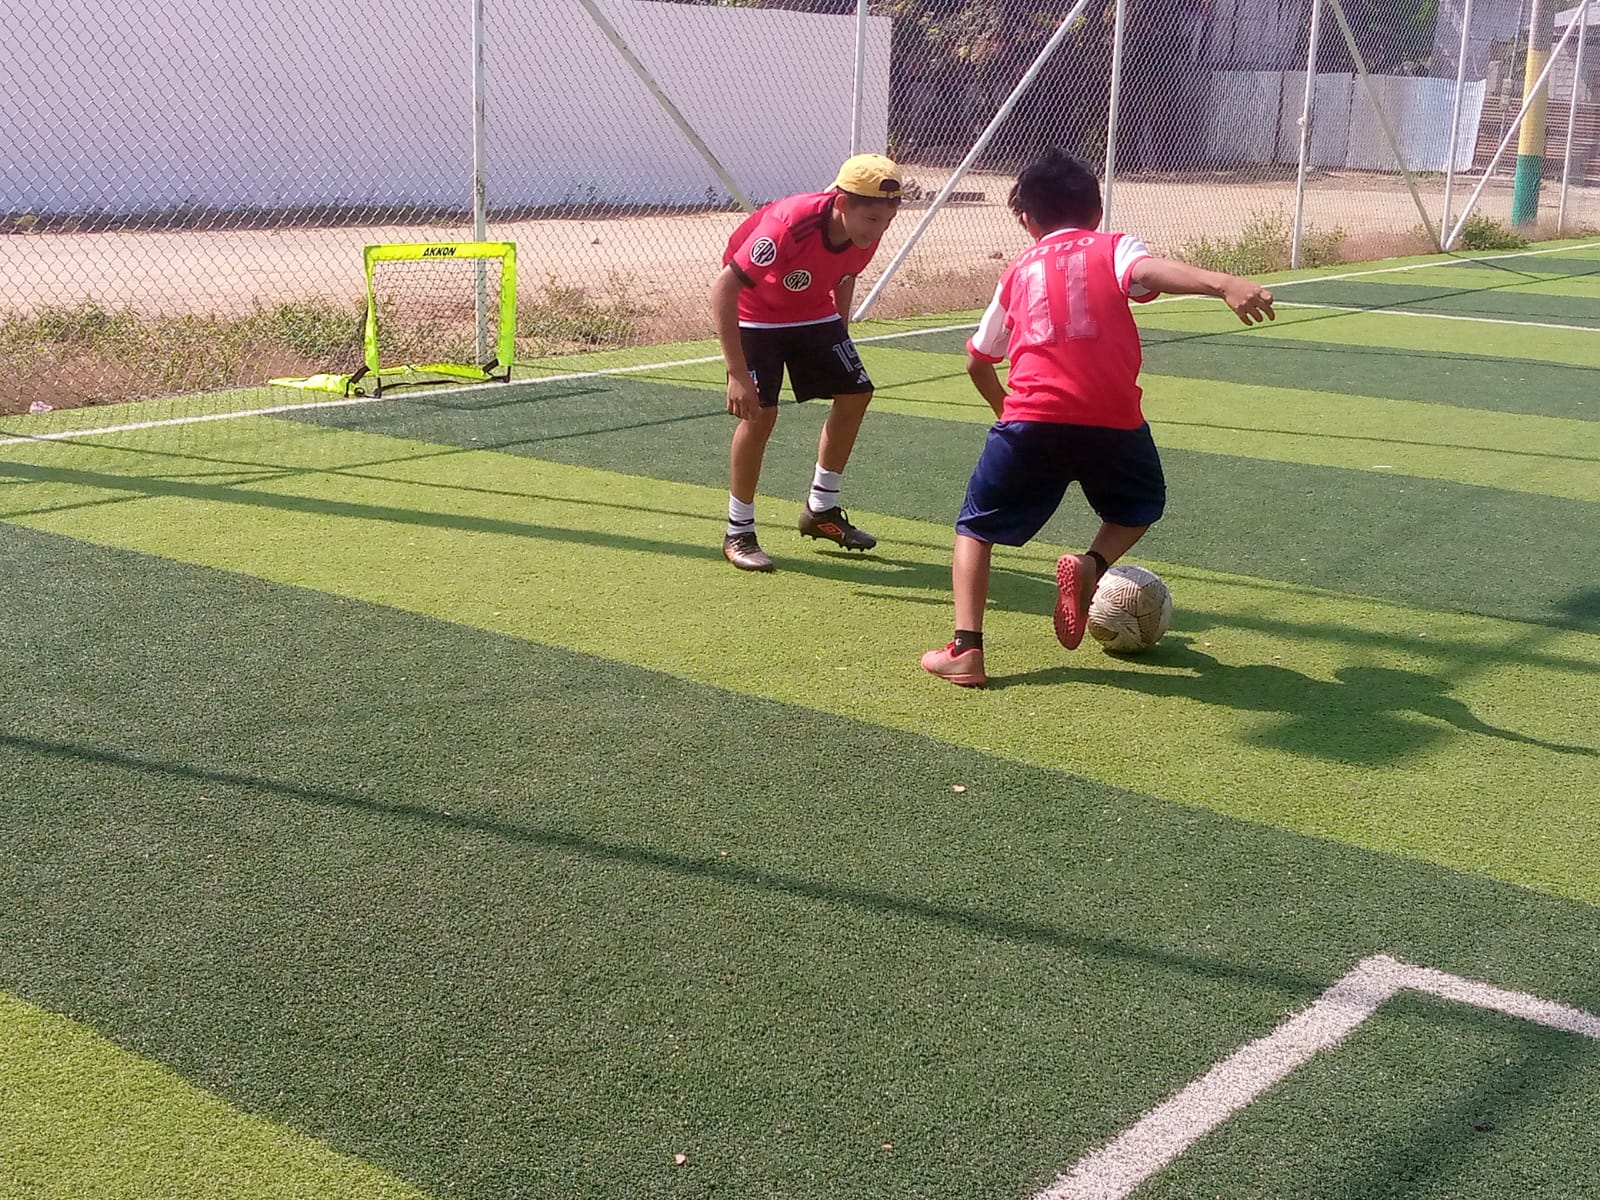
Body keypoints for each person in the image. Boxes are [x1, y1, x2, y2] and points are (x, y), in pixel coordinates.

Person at [920, 149, 1276, 687]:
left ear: (1026, 219)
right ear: (1096, 212)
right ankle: (1092, 564)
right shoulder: (1113, 247)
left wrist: (1006, 413)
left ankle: (966, 650)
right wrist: (1222, 282)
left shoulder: (1017, 271)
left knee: (975, 529)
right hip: (1112, 419)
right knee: (1139, 508)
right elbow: (1147, 272)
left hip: (1029, 419)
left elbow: (977, 360)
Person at [711, 154, 903, 572]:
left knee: (856, 393)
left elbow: (846, 275)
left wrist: (840, 334)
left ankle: (820, 510)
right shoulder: (788, 226)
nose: (878, 231)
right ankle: (738, 531)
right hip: (754, 312)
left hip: (812, 310)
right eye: (872, 219)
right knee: (760, 414)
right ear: (841, 203)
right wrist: (737, 375)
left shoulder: (865, 231)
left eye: (887, 221)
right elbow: (724, 289)